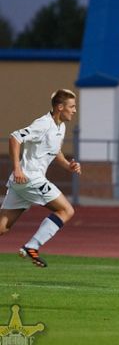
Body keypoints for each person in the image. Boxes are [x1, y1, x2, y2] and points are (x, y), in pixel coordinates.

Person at [0, 89, 81, 267]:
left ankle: (31, 246)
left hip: (22, 182)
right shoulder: (43, 124)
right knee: (66, 210)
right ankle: (32, 246)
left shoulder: (61, 126)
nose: (75, 110)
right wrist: (17, 168)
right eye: (72, 106)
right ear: (60, 107)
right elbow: (15, 138)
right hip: (30, 178)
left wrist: (69, 165)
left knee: (2, 228)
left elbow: (56, 152)